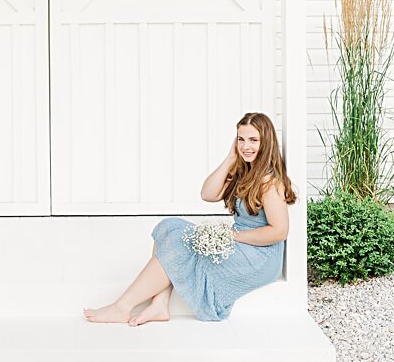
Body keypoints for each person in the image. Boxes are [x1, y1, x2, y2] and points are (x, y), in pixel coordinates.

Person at [83, 111, 295, 325]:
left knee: (179, 241)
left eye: (253, 140)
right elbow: (207, 194)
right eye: (241, 139)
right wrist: (231, 157)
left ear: (265, 142)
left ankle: (122, 307)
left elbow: (279, 231)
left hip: (261, 256)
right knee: (170, 227)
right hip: (242, 242)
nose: (245, 146)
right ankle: (160, 304)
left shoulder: (269, 182)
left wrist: (234, 236)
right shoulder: (245, 172)